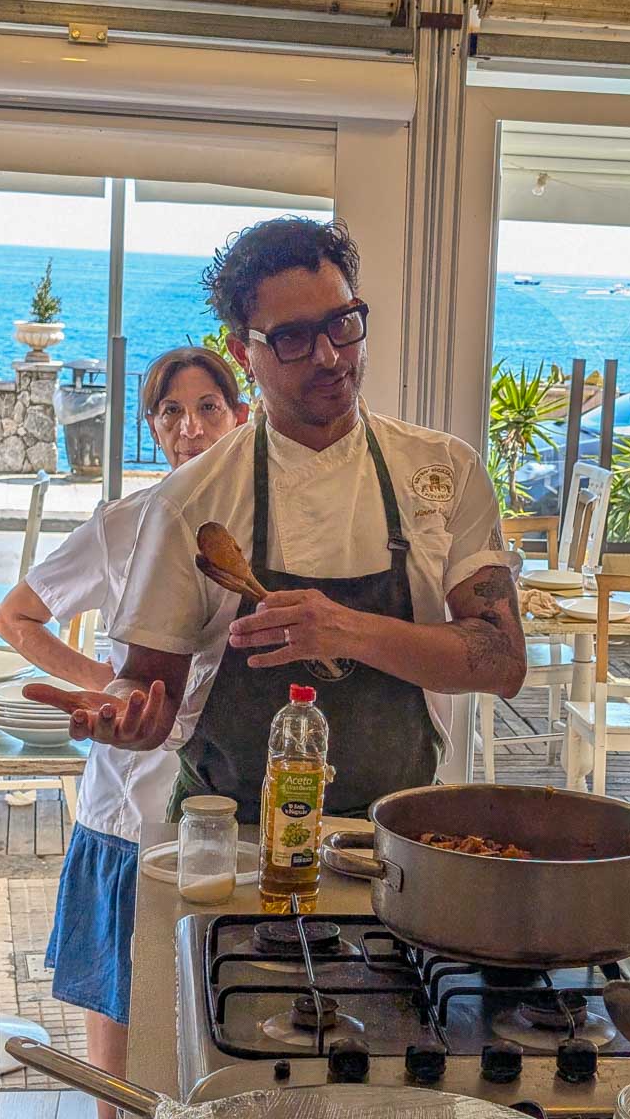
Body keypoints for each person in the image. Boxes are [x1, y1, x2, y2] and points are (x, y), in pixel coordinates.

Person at [26, 216, 526, 823]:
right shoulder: (191, 500)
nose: (329, 355)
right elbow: (149, 685)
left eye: (343, 324)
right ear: (243, 353)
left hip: (393, 835)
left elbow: (503, 660)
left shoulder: (443, 471)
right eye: (293, 337)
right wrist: (128, 715)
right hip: (227, 841)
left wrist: (347, 631)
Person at [0, 347, 247, 1119]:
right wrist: (112, 688)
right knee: (121, 1038)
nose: (190, 425)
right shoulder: (127, 524)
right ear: (152, 427)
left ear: (242, 416)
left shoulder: (262, 526)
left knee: (224, 1026)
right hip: (129, 812)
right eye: (171, 411)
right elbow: (16, 616)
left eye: (209, 406)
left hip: (233, 808)